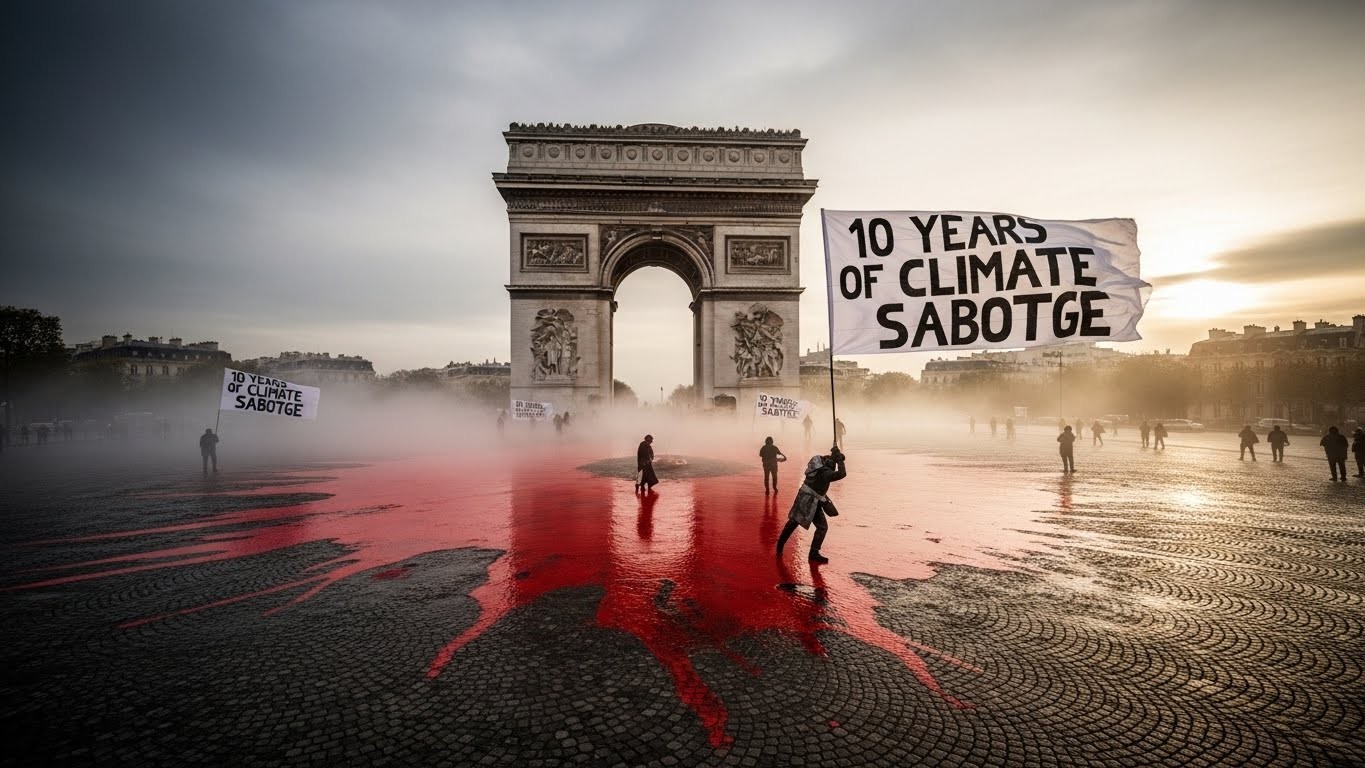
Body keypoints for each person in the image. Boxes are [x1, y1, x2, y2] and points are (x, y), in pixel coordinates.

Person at [776, 446, 846, 564]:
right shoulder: (825, 473)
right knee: (820, 527)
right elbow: (841, 474)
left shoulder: (817, 461)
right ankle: (813, 553)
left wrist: (835, 456)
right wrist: (840, 461)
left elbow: (828, 458)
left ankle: (780, 545)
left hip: (805, 497)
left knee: (794, 522)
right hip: (811, 501)